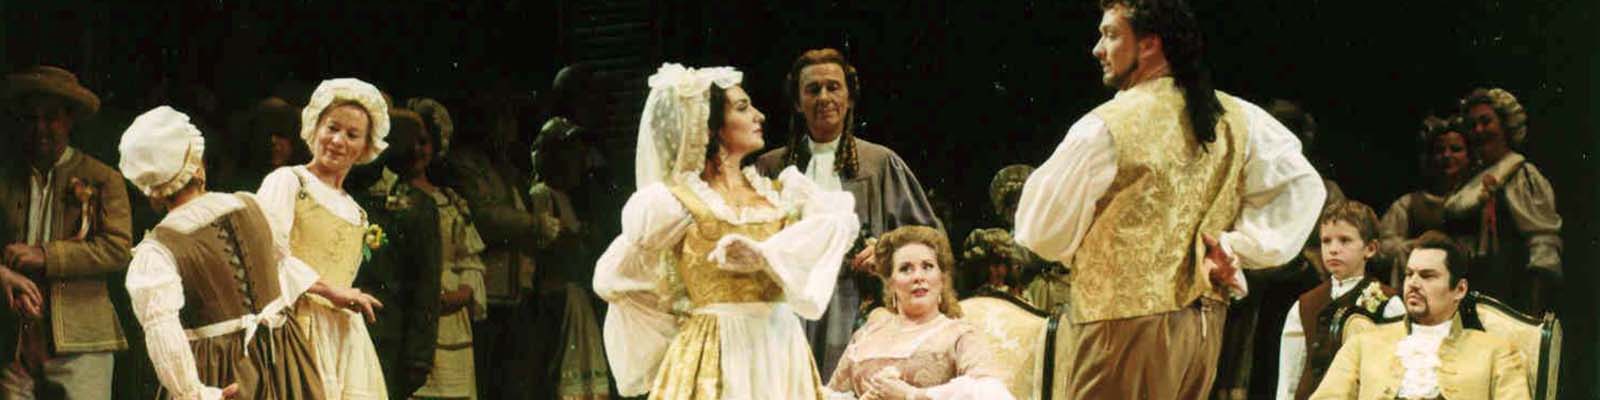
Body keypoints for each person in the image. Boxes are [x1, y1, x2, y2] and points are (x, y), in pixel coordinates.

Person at [1011, 1, 1327, 397]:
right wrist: (1237, 245)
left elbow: (1039, 231)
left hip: (1122, 329)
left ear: (1148, 45)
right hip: (1203, 329)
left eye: (1111, 35)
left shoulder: (1108, 126)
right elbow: (1300, 185)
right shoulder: (1236, 116)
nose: (1098, 49)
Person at [594, 63, 859, 398]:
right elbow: (614, 279)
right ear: (710, 125)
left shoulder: (785, 194)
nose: (759, 116)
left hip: (779, 347)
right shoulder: (673, 204)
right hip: (714, 348)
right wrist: (679, 316)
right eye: (743, 107)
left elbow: (839, 228)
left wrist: (766, 256)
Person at [120, 106, 373, 399]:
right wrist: (329, 291)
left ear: (150, 189)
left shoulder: (156, 252)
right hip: (282, 356)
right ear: (197, 164)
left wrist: (195, 394)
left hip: (223, 372)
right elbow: (282, 264)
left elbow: (163, 334)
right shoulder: (252, 205)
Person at [754, 48, 944, 377]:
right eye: (812, 89)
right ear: (798, 102)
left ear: (849, 97)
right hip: (787, 307)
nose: (824, 97)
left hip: (855, 302)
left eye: (833, 87)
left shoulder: (880, 163)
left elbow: (931, 237)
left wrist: (887, 249)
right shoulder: (771, 166)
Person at [0, 65, 132, 399]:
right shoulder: (6, 177)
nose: (40, 128)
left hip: (82, 343)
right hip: (13, 342)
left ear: (70, 120)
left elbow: (118, 248)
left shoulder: (102, 178)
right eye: (31, 118)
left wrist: (45, 255)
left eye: (51, 118)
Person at [257, 78, 392, 399]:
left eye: (352, 135)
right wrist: (329, 291)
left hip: (342, 336)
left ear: (366, 147)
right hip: (294, 325)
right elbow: (267, 255)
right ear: (315, 128)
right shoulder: (289, 181)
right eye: (332, 128)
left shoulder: (357, 212)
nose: (337, 141)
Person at [1309, 233, 1530, 399]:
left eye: (1427, 276)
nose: (1413, 284)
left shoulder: (1497, 352)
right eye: (1409, 274)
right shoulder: (1363, 344)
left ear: (1460, 289)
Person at [826, 226, 1012, 400]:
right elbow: (829, 394)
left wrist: (913, 395)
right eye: (905, 268)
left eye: (927, 266)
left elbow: (992, 393)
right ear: (891, 283)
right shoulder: (866, 335)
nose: (918, 277)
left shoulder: (960, 334)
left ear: (942, 279)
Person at [376, 108, 487, 399]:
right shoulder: (385, 197)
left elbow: (470, 259)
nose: (416, 149)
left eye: (423, 142)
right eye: (409, 142)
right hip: (407, 316)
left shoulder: (450, 200)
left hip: (450, 321)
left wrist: (461, 294)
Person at [1442, 88, 1561, 315]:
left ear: (1506, 125)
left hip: (1508, 297)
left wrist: (1534, 309)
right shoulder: (1468, 181)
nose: (1479, 130)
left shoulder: (1521, 175)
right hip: (1465, 294)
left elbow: (1543, 244)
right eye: (1472, 125)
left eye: (1486, 122)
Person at [1276, 200, 1404, 400]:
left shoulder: (1388, 303)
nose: (1333, 249)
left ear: (1370, 248)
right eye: (1326, 241)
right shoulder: (1305, 304)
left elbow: (1393, 370)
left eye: (1345, 240)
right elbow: (1289, 376)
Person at [527, 116, 610, 399]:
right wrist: (574, 238)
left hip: (576, 299)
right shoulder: (542, 195)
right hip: (557, 298)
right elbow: (544, 243)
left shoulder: (570, 197)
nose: (578, 160)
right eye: (570, 152)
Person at [1379, 115, 1475, 286]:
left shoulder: (1480, 200)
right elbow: (1385, 246)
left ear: (1469, 156)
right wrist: (1414, 247)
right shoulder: (1409, 204)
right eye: (1440, 150)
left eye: (1455, 149)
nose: (1447, 155)